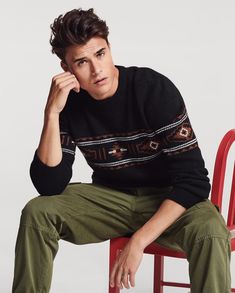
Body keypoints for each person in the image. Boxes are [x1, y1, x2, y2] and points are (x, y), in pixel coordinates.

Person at [12, 8, 231, 293]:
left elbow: (194, 181)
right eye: (81, 62)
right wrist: (52, 113)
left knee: (211, 231)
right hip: (111, 201)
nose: (96, 69)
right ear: (67, 69)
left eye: (100, 54)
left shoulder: (152, 90)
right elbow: (49, 185)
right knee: (37, 212)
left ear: (110, 48)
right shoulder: (69, 103)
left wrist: (138, 241)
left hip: (167, 198)